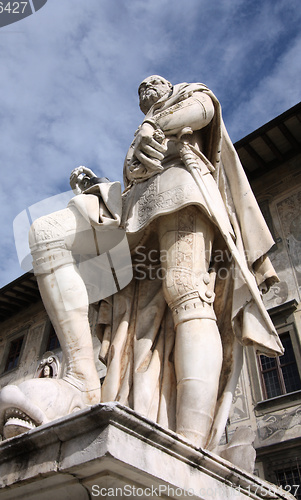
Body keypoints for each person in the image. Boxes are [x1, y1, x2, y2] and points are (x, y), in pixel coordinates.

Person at [96, 75, 284, 451]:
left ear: (168, 86)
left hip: (182, 191)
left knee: (187, 294)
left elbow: (204, 110)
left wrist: (153, 125)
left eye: (154, 82)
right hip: (136, 221)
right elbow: (132, 173)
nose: (146, 85)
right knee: (136, 321)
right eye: (140, 88)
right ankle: (144, 409)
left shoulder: (188, 94)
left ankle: (191, 440)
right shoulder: (140, 131)